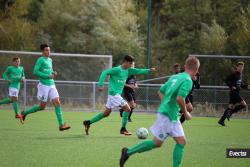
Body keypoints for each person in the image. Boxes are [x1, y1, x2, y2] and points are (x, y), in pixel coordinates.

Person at [119, 56, 200, 167]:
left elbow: (161, 91)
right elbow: (180, 98)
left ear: (185, 66)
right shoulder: (187, 80)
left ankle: (127, 152)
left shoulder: (175, 77)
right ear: (196, 70)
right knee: (157, 143)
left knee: (180, 142)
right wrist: (185, 113)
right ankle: (127, 152)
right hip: (168, 116)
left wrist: (165, 104)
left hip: (171, 115)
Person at [83, 55, 155, 136]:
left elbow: (138, 71)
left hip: (113, 95)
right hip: (114, 94)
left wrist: (148, 70)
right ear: (126, 62)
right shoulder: (117, 69)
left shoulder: (128, 70)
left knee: (106, 113)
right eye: (130, 63)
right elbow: (104, 72)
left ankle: (88, 122)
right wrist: (100, 84)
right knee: (128, 109)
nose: (131, 65)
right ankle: (123, 129)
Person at [20, 44, 70, 131]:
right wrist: (47, 76)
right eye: (46, 50)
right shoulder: (40, 60)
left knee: (57, 102)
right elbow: (35, 71)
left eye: (49, 50)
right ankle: (24, 113)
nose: (48, 52)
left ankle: (61, 125)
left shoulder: (50, 60)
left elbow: (49, 71)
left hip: (52, 84)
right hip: (43, 85)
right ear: (42, 51)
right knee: (42, 107)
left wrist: (53, 73)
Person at [218, 61, 249, 126]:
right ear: (237, 67)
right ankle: (230, 113)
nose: (240, 68)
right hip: (234, 93)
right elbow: (226, 80)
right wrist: (231, 86)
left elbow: (241, 85)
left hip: (235, 93)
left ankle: (221, 120)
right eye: (239, 67)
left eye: (242, 67)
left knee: (230, 107)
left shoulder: (240, 75)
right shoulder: (234, 74)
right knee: (244, 105)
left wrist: (247, 86)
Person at [0, 57, 25, 123]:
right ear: (13, 62)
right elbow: (4, 74)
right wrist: (7, 79)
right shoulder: (10, 68)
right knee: (15, 99)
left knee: (12, 100)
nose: (18, 63)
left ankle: (0, 102)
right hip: (12, 86)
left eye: (19, 61)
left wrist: (23, 78)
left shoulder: (21, 68)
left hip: (18, 86)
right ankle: (17, 114)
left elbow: (23, 76)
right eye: (16, 61)